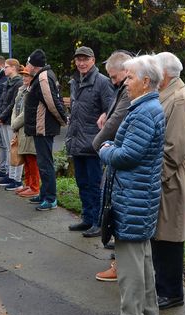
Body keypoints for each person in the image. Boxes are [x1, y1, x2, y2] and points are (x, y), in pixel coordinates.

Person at [98, 55, 165, 315]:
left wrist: (105, 150)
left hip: (133, 195)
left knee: (129, 261)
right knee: (142, 256)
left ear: (146, 81)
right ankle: (148, 313)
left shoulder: (144, 111)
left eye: (131, 78)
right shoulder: (148, 108)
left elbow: (129, 155)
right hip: (139, 194)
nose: (126, 83)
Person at [151, 52, 185, 310]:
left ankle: (171, 293)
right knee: (162, 237)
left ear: (165, 73)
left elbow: (176, 148)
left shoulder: (180, 99)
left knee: (170, 238)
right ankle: (163, 289)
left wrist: (155, 178)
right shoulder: (168, 94)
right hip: (164, 178)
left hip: (170, 181)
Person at [93, 50, 134, 280]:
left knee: (121, 213)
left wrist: (98, 145)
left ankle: (121, 267)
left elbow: (117, 119)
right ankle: (119, 262)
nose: (113, 81)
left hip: (122, 163)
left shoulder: (132, 93)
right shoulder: (124, 89)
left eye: (114, 76)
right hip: (117, 156)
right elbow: (113, 114)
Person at [66, 46, 115, 236]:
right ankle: (87, 219)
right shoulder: (75, 81)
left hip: (94, 144)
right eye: (78, 59)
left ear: (93, 60)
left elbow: (110, 109)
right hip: (78, 142)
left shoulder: (102, 82)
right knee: (82, 183)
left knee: (95, 185)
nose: (81, 63)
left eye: (85, 59)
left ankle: (97, 222)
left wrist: (103, 117)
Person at [23, 49, 66, 211]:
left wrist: (63, 120)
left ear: (34, 65)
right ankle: (44, 193)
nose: (26, 66)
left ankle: (50, 198)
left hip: (44, 127)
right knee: (42, 162)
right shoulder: (41, 76)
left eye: (28, 63)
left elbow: (52, 102)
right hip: (40, 127)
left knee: (45, 163)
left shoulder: (43, 77)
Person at [0, 59, 24, 189]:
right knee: (8, 147)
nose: (4, 69)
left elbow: (13, 104)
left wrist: (2, 116)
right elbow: (2, 100)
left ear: (13, 68)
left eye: (6, 67)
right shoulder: (8, 82)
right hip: (4, 118)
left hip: (11, 119)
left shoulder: (18, 83)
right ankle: (10, 175)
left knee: (14, 149)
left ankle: (16, 178)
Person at [10, 69, 39, 197]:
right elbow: (15, 109)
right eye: (23, 75)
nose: (24, 78)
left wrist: (15, 124)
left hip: (28, 129)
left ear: (33, 78)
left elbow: (27, 112)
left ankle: (34, 186)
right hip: (20, 129)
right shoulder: (21, 91)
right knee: (25, 158)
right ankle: (27, 184)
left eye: (27, 76)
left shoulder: (32, 91)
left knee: (31, 158)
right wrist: (14, 124)